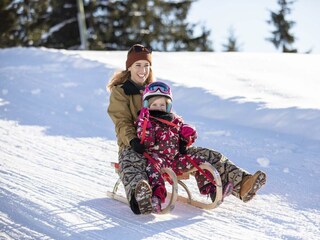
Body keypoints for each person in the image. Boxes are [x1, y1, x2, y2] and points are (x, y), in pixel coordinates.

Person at [107, 43, 267, 215]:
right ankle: (141, 197)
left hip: (166, 149)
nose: (142, 70)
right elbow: (122, 121)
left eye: (146, 65)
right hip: (137, 145)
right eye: (138, 65)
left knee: (207, 155)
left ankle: (242, 184)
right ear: (129, 67)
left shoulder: (155, 89)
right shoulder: (121, 92)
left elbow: (170, 118)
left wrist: (181, 137)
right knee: (131, 162)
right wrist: (133, 140)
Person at [136, 82, 227, 213]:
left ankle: (211, 189)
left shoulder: (175, 121)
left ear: (168, 106)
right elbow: (146, 141)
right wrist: (145, 125)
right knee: (152, 168)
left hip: (175, 159)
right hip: (158, 159)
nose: (159, 107)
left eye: (162, 104)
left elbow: (184, 138)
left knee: (197, 160)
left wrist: (188, 136)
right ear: (147, 106)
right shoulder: (146, 121)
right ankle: (156, 197)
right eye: (154, 104)